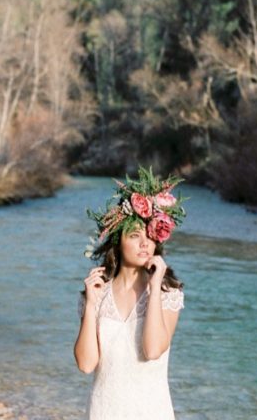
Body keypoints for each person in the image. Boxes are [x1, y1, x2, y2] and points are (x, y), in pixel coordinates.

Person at [74, 167, 186, 420]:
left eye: (150, 235)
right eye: (135, 235)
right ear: (118, 241)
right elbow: (86, 364)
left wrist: (155, 287)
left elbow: (153, 350)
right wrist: (91, 306)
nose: (145, 243)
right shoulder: (96, 293)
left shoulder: (168, 292)